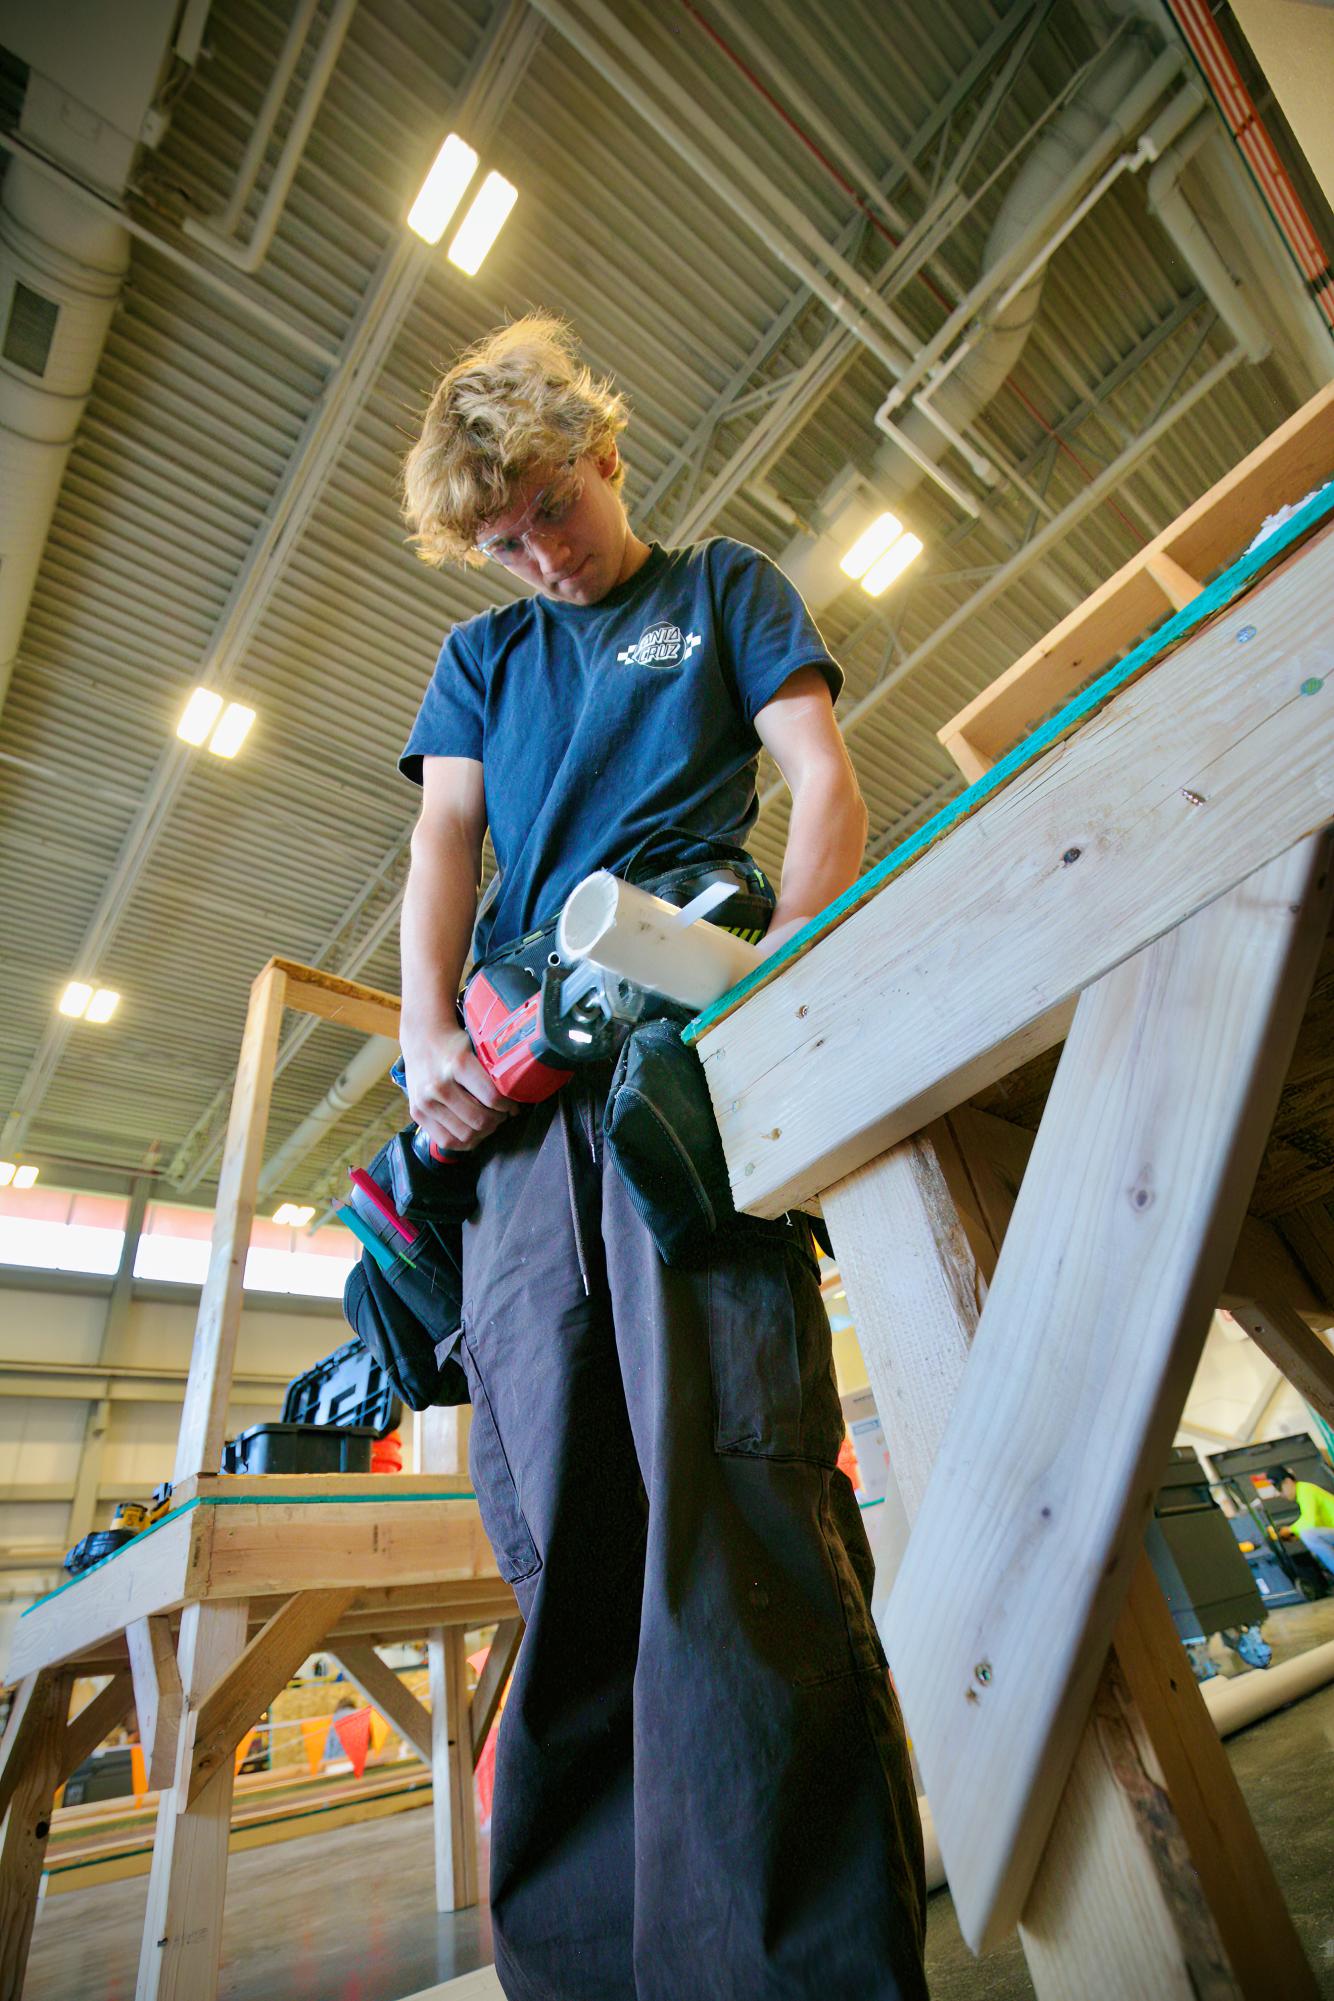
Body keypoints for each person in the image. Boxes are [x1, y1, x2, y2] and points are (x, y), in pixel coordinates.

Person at [396, 315, 926, 2000]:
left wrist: (787, 978)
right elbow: (440, 845)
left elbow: (820, 781)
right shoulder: (484, 654)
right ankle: (586, 1973)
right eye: (499, 538)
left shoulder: (718, 591)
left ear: (603, 455)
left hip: (679, 1070)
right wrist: (422, 1042)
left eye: (549, 508)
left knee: (729, 1487)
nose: (536, 555)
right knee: (561, 1533)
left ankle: (794, 1967)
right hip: (514, 1097)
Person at [1271, 1464, 1334, 1580]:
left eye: (1280, 1489)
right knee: (1308, 1536)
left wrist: (1290, 1530)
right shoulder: (1303, 1492)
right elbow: (1316, 1523)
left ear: (1288, 1481)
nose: (1281, 1494)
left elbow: (1310, 1520)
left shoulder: (1305, 1490)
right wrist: (1295, 1533)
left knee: (1309, 1535)